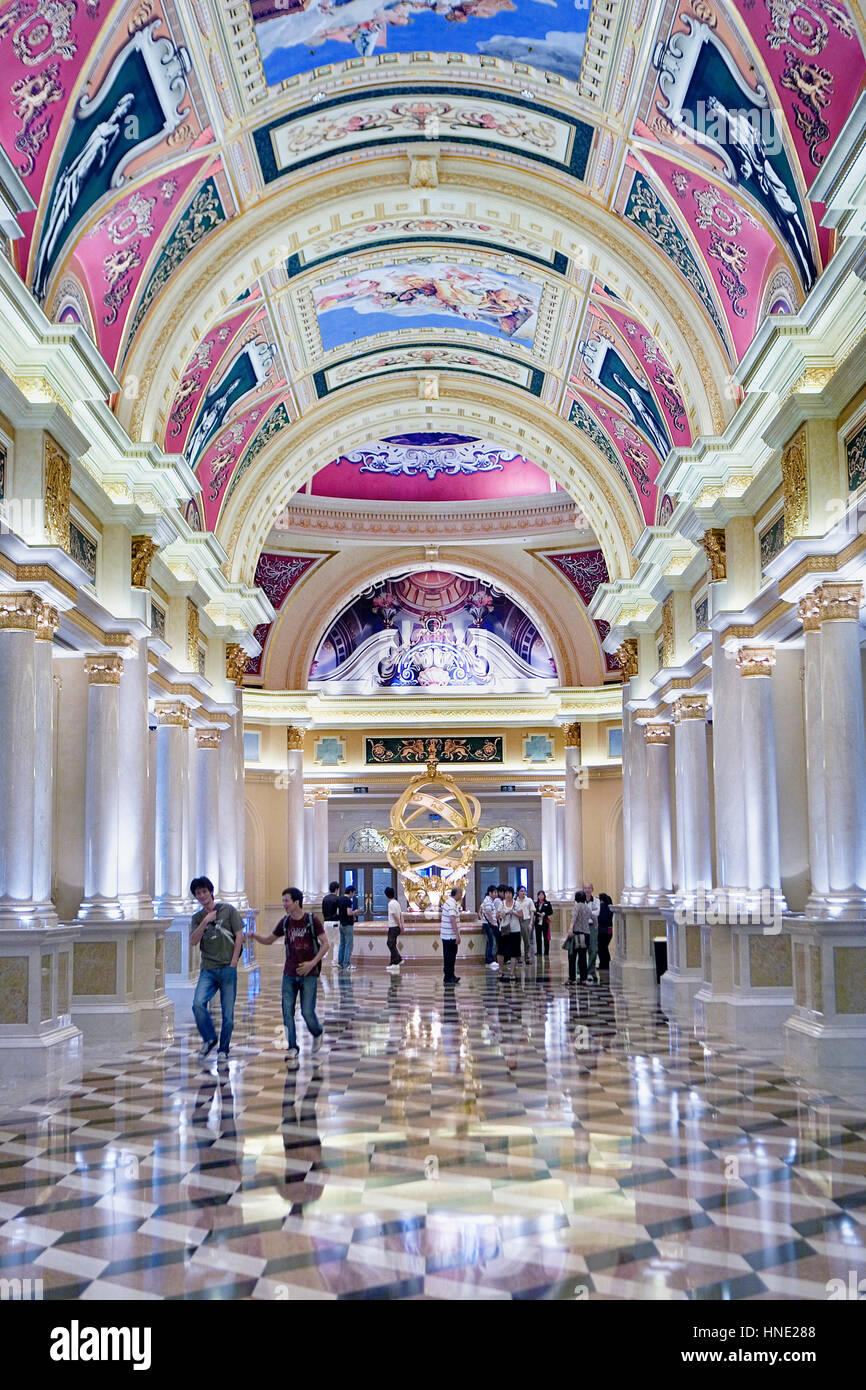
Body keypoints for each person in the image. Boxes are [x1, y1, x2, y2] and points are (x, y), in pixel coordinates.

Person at [254, 887, 329, 1064]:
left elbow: (326, 944)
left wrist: (312, 963)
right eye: (283, 901)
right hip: (289, 973)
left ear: (296, 902)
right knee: (287, 1011)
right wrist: (254, 936)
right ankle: (292, 1047)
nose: (284, 904)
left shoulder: (312, 921)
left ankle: (317, 1032)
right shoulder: (285, 922)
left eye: (286, 901)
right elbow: (270, 940)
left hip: (308, 974)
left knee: (307, 1012)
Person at [189, 875, 244, 1063]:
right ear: (196, 897)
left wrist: (234, 961)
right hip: (208, 970)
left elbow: (239, 935)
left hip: (228, 969)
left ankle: (224, 1049)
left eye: (204, 891)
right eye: (198, 893)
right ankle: (209, 1038)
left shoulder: (228, 911)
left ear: (211, 891)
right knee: (197, 1004)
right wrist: (205, 921)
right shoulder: (197, 918)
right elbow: (193, 941)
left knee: (228, 1016)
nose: (202, 895)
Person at [565, 891, 596, 985]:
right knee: (582, 956)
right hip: (586, 934)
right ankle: (583, 978)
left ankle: (572, 978)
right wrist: (595, 925)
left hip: (577, 934)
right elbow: (594, 918)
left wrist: (570, 929)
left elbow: (574, 918)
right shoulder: (587, 907)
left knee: (572, 956)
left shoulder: (577, 906)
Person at [497, 885, 522, 980]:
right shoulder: (501, 904)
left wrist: (513, 913)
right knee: (501, 951)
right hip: (503, 930)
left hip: (515, 930)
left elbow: (521, 915)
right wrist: (500, 914)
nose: (507, 895)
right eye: (506, 893)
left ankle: (512, 972)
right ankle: (500, 970)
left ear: (512, 894)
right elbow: (497, 915)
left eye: (509, 893)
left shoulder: (517, 904)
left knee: (514, 952)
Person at [440, 886, 461, 985]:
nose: (461, 896)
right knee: (450, 957)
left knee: (449, 956)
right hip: (450, 936)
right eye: (460, 894)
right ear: (456, 894)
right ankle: (448, 977)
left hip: (446, 935)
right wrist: (457, 935)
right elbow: (452, 919)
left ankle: (451, 975)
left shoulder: (449, 902)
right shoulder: (452, 904)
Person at [337, 880, 356, 971]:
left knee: (342, 944)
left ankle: (340, 963)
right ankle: (347, 964)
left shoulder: (340, 899)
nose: (353, 895)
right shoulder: (348, 901)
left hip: (341, 924)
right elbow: (349, 913)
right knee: (348, 944)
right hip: (348, 925)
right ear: (351, 892)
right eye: (353, 893)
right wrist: (355, 912)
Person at [479, 886, 500, 970]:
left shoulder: (490, 901)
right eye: (494, 892)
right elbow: (488, 913)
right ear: (490, 893)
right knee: (491, 941)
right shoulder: (487, 901)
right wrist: (493, 922)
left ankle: (490, 959)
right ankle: (489, 960)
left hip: (489, 924)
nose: (496, 894)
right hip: (488, 924)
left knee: (490, 941)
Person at [384, 884, 404, 972]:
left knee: (390, 943)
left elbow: (395, 916)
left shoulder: (391, 904)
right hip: (396, 926)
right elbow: (401, 915)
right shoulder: (397, 902)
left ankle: (398, 959)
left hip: (393, 926)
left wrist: (399, 924)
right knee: (393, 944)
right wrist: (402, 925)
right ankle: (393, 962)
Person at [322, 879, 341, 967]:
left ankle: (323, 956)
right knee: (337, 942)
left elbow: (323, 911)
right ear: (336, 889)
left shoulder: (325, 899)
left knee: (327, 941)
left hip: (326, 922)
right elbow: (339, 912)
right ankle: (334, 961)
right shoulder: (337, 899)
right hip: (335, 922)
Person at [533, 889, 553, 958]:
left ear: (544, 896)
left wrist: (545, 913)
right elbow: (533, 912)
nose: (541, 896)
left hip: (545, 922)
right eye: (539, 895)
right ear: (538, 896)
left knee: (545, 938)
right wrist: (537, 915)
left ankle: (546, 952)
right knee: (538, 937)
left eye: (542, 895)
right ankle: (539, 951)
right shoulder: (535, 904)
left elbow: (551, 912)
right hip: (538, 922)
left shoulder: (547, 903)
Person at [515, 884, 533, 963]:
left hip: (526, 920)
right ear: (518, 892)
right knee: (517, 939)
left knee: (526, 939)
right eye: (521, 891)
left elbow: (532, 911)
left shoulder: (529, 900)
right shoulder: (515, 901)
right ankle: (518, 956)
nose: (523, 892)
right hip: (517, 921)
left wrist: (531, 923)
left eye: (524, 891)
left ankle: (527, 956)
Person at [597, 892, 613, 973]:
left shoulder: (602, 906)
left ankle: (603, 964)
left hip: (602, 930)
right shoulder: (609, 906)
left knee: (601, 948)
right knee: (605, 947)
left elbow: (600, 917)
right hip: (609, 930)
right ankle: (606, 963)